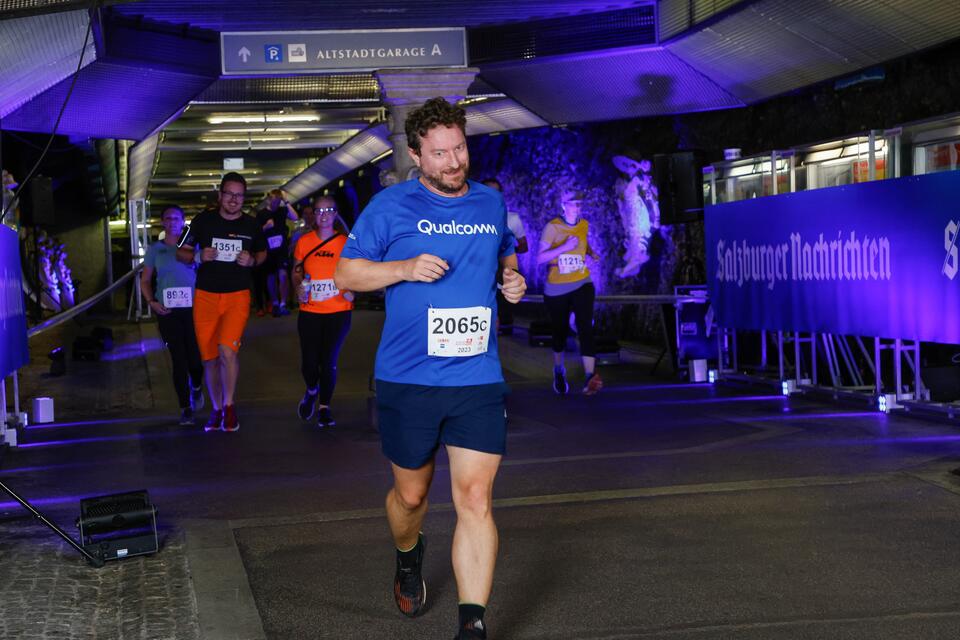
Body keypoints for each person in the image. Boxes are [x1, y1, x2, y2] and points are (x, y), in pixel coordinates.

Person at [335, 97, 526, 640]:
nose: (453, 161)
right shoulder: (390, 207)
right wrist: (402, 268)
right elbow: (346, 275)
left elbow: (506, 252)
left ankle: (473, 625)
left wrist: (512, 278)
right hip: (408, 378)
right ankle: (407, 554)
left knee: (474, 499)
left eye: (459, 148)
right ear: (416, 156)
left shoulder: (490, 204)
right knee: (412, 498)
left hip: (477, 377)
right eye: (439, 153)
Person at [176, 172, 267, 432]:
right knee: (210, 358)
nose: (234, 199)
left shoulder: (251, 225)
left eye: (239, 195)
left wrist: (252, 261)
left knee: (228, 351)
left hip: (237, 295)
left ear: (244, 198)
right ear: (220, 195)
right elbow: (181, 252)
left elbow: (262, 253)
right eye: (229, 194)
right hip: (205, 296)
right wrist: (197, 254)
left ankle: (229, 406)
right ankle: (216, 409)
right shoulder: (203, 221)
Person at [291, 195, 354, 427]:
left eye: (329, 210)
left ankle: (324, 407)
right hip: (310, 310)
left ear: (336, 213)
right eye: (319, 210)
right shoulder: (304, 241)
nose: (324, 214)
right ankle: (311, 389)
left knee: (328, 360)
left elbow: (357, 271)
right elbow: (297, 271)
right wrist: (298, 287)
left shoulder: (346, 242)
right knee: (309, 362)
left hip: (339, 310)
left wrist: (353, 289)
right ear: (313, 215)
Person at [140, 206, 204, 426]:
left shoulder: (192, 248)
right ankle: (185, 407)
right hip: (167, 311)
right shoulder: (155, 250)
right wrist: (152, 303)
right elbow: (146, 280)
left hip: (194, 310)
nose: (172, 222)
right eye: (168, 218)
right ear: (162, 222)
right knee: (179, 359)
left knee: (195, 360)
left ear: (182, 221)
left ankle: (196, 386)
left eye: (176, 218)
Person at [536, 187, 604, 396]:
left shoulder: (584, 225)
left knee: (585, 327)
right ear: (563, 205)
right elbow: (540, 258)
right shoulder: (552, 228)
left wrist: (591, 252)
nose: (577, 206)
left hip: (582, 282)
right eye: (573, 202)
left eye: (580, 203)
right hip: (557, 287)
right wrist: (563, 247)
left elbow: (583, 243)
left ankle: (589, 377)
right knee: (560, 331)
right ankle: (558, 369)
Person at [480, 178, 527, 335]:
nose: (492, 195)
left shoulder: (512, 219)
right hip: (478, 273)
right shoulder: (470, 217)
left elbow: (524, 246)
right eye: (488, 191)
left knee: (495, 314)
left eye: (496, 191)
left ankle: (491, 349)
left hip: (501, 274)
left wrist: (506, 252)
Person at [256, 189, 299, 316]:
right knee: (270, 277)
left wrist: (286, 201)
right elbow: (256, 233)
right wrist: (265, 227)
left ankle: (283, 304)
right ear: (269, 199)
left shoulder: (282, 210)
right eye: (274, 200)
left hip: (282, 249)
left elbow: (295, 217)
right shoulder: (262, 214)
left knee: (283, 275)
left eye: (278, 201)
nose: (276, 203)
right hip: (268, 250)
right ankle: (274, 303)